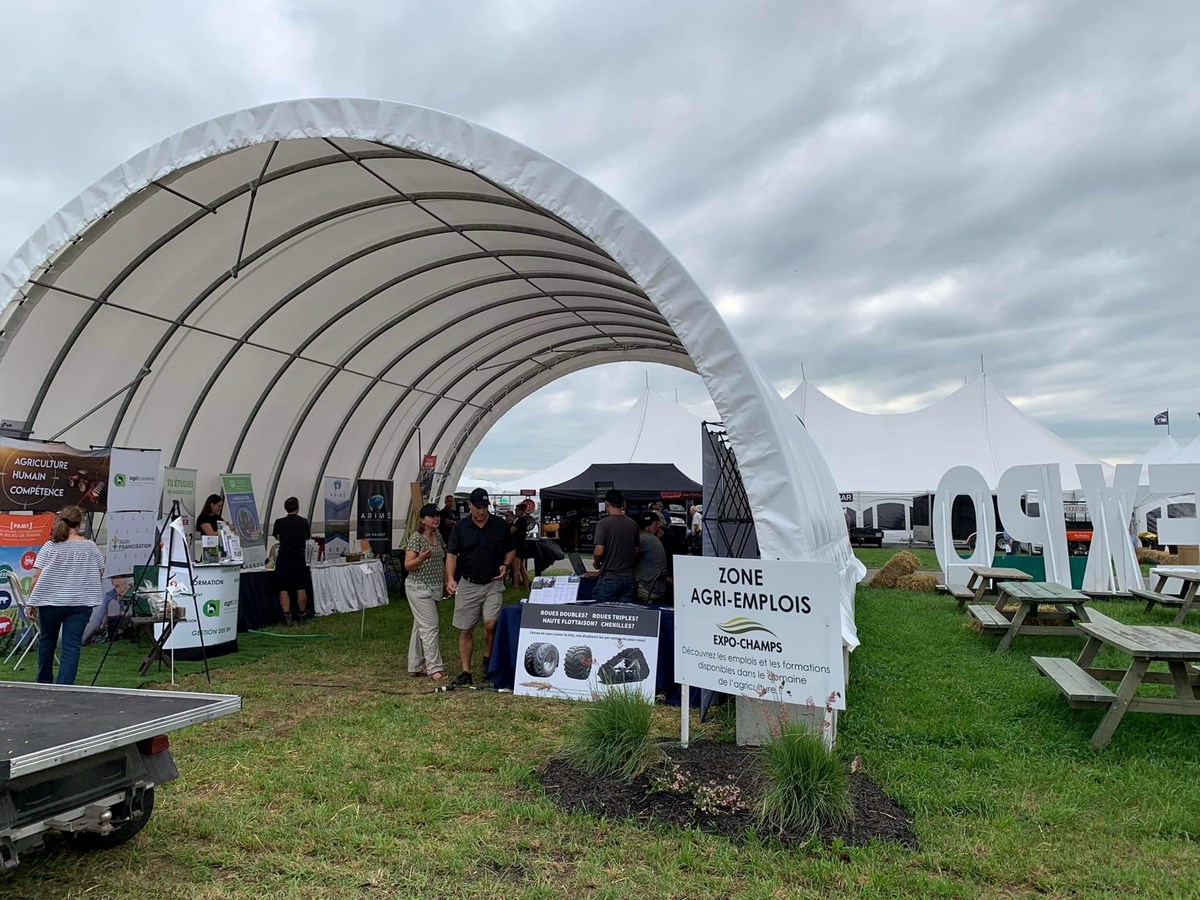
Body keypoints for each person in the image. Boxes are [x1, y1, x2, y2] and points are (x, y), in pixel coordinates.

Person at [25, 506, 104, 685]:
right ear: (80, 523)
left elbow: (37, 576)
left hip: (50, 602)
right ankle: (64, 686)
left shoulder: (50, 546)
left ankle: (43, 680)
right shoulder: (90, 547)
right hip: (80, 604)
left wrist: (31, 602)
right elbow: (99, 572)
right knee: (71, 646)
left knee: (47, 641)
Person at [446, 488, 514, 686]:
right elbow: (451, 555)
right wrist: (450, 579)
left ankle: (487, 658)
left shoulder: (499, 525)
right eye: (477, 507)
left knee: (491, 624)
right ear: (470, 506)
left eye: (484, 507)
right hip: (468, 583)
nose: (481, 512)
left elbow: (511, 551)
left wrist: (506, 565)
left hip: (493, 582)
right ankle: (466, 671)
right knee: (466, 629)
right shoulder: (460, 527)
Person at [405, 503, 447, 683]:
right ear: (422, 520)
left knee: (420, 626)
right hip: (418, 588)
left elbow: (442, 561)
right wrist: (420, 558)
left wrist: (446, 581)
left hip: (434, 587)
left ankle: (415, 665)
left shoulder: (438, 535)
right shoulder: (416, 538)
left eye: (437, 515)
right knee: (430, 627)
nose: (435, 518)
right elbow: (408, 565)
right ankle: (434, 669)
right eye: (431, 516)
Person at [591, 489, 640, 603]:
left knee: (602, 613)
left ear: (607, 503)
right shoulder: (632, 524)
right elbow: (636, 551)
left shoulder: (603, 523)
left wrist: (597, 563)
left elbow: (599, 551)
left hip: (610, 577)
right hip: (629, 578)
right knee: (624, 616)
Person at [271, 497, 311, 624]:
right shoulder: (304, 522)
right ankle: (302, 614)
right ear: (298, 507)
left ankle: (287, 615)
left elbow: (277, 536)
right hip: (299, 557)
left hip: (283, 558)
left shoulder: (279, 522)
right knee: (300, 587)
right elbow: (307, 536)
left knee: (283, 588)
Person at [634, 511, 668, 604]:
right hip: (658, 587)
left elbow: (626, 557)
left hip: (648, 589)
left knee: (619, 587)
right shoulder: (654, 538)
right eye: (645, 525)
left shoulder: (644, 539)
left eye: (649, 525)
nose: (647, 528)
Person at [655, 511, 686, 605]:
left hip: (669, 582)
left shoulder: (672, 540)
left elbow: (680, 559)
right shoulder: (648, 539)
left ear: (658, 523)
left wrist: (671, 578)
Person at [510, 501, 530, 590]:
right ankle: (527, 587)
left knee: (516, 568)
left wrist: (512, 520)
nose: (515, 512)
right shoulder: (523, 521)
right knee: (522, 568)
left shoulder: (520, 521)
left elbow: (511, 531)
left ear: (522, 511)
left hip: (517, 546)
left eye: (517, 510)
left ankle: (516, 587)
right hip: (522, 545)